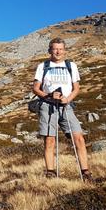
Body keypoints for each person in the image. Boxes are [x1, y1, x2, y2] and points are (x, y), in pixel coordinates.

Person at [32, 38, 92, 181]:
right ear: (49, 50)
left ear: (64, 50)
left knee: (78, 137)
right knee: (49, 140)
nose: (58, 51)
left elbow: (76, 88)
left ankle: (85, 172)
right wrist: (49, 95)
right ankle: (50, 172)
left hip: (66, 106)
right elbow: (35, 88)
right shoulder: (43, 66)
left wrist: (68, 99)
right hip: (48, 106)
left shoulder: (71, 66)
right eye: (55, 49)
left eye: (60, 49)